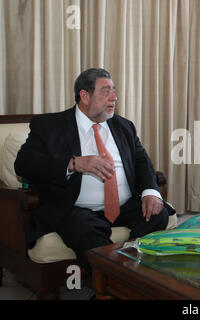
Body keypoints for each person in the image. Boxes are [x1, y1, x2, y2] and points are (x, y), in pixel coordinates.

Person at [15, 68, 175, 268]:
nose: (114, 97)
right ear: (85, 96)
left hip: (124, 207)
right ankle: (115, 280)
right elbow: (24, 163)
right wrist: (74, 163)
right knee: (84, 228)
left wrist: (151, 193)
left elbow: (143, 163)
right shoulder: (50, 125)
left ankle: (131, 268)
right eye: (106, 91)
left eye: (114, 91)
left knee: (158, 214)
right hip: (76, 209)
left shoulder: (124, 126)